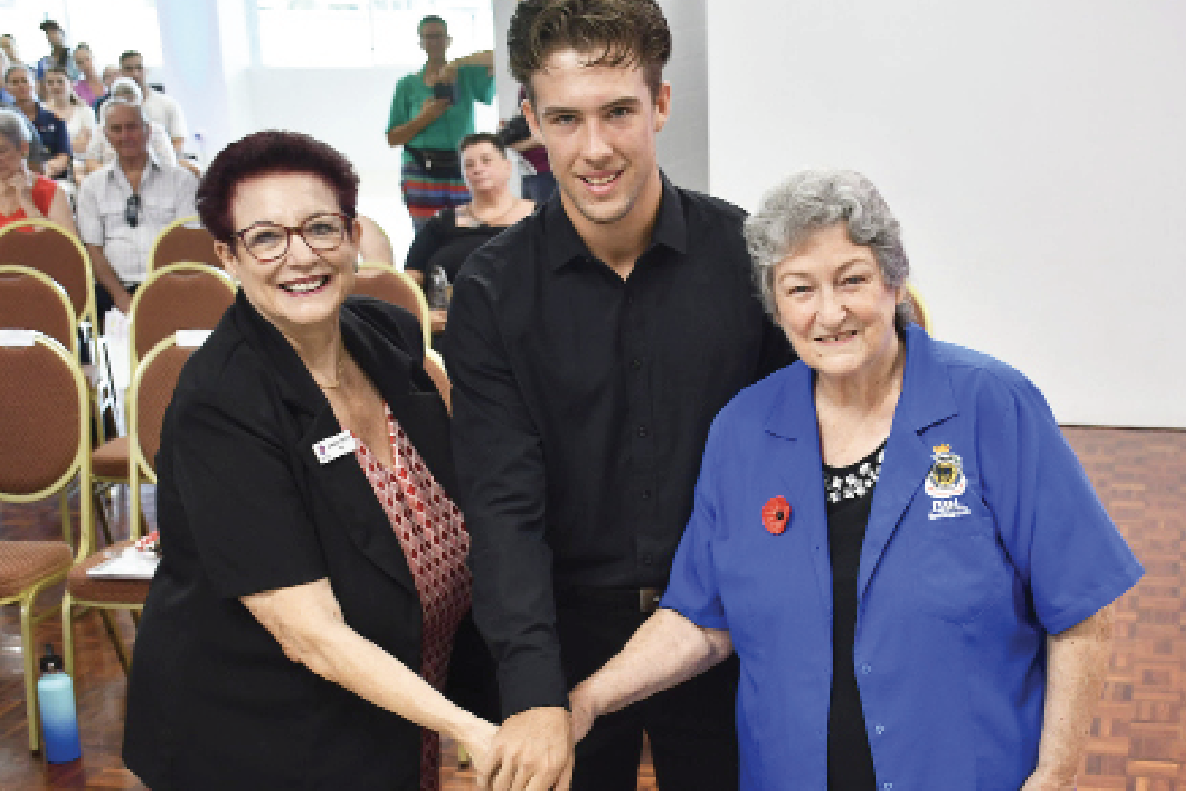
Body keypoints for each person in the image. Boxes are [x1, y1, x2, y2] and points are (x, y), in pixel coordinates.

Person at [565, 169, 1145, 791]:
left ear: (894, 283)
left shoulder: (990, 405)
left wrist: (1055, 775)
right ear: (775, 303)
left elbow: (1081, 610)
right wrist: (587, 700)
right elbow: (701, 618)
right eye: (800, 288)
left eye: (852, 280)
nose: (830, 313)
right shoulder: (743, 430)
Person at [446, 1, 794, 789]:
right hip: (564, 635)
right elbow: (502, 506)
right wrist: (533, 690)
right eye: (565, 118)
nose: (594, 148)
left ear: (661, 104)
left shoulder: (748, 263)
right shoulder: (492, 293)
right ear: (531, 120)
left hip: (726, 625)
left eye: (619, 112)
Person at [122, 129, 499, 791]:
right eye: (266, 237)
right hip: (262, 745)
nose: (300, 256)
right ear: (228, 257)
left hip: (392, 719)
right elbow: (311, 633)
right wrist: (470, 728)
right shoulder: (222, 402)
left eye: (321, 227)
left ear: (354, 235)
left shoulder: (384, 337)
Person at [76, 98, 197, 316]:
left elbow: (186, 242)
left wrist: (162, 292)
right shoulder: (92, 186)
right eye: (116, 129)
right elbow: (93, 249)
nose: (125, 136)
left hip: (172, 287)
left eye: (132, 127)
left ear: (148, 131)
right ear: (106, 135)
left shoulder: (181, 180)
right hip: (112, 291)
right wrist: (120, 296)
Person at [386, 15, 494, 230]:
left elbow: (498, 57)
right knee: (426, 235)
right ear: (421, 42)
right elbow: (393, 138)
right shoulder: (407, 85)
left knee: (466, 232)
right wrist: (424, 118)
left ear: (448, 40)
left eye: (438, 36)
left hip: (460, 169)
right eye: (428, 37)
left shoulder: (465, 75)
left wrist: (456, 64)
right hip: (419, 170)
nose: (434, 42)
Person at [403, 132, 534, 296]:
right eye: (469, 164)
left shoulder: (538, 217)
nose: (477, 169)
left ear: (507, 166)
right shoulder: (442, 222)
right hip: (448, 315)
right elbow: (412, 275)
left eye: (486, 161)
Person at [82, 78, 178, 176]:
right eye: (121, 102)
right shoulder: (102, 130)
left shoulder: (155, 130)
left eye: (131, 102)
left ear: (140, 104)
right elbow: (90, 162)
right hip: (109, 183)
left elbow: (169, 165)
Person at [0, 108, 74, 231]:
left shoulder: (53, 192)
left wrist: (27, 202)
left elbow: (65, 247)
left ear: (24, 147)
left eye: (1, 151)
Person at [5, 64, 70, 180]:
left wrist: (43, 174)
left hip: (49, 177)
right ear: (7, 88)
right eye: (15, 82)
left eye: (24, 80)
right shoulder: (4, 120)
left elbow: (63, 157)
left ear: (35, 84)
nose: (21, 85)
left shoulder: (55, 119)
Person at [119, 50, 188, 158]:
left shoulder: (167, 103)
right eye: (128, 69)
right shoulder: (110, 109)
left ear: (146, 70)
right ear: (121, 73)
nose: (135, 73)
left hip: (163, 165)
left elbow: (178, 141)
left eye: (139, 68)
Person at [44, 65, 95, 170]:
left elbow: (85, 146)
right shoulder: (40, 110)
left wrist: (53, 144)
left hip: (79, 165)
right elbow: (39, 146)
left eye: (60, 81)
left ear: (71, 84)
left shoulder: (85, 111)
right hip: (49, 165)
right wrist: (74, 142)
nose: (55, 86)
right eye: (50, 82)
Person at [34, 20, 78, 97]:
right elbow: (40, 86)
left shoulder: (75, 57)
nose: (51, 36)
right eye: (48, 33)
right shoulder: (43, 62)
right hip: (52, 102)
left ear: (62, 34)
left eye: (54, 32)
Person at [71, 43, 105, 107]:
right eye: (80, 62)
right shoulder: (76, 89)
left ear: (93, 57)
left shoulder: (108, 78)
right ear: (77, 66)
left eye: (87, 59)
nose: (85, 64)